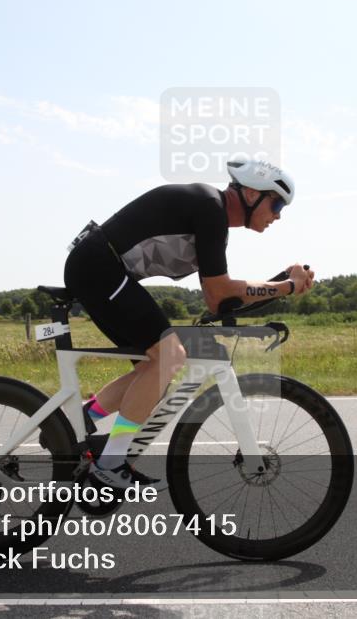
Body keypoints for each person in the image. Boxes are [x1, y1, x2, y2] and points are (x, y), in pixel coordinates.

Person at [63, 159, 315, 490]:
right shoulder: (210, 209)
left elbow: (222, 299)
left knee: (154, 370)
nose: (278, 215)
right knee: (170, 356)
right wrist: (288, 286)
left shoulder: (213, 215)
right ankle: (109, 464)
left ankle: (81, 422)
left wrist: (278, 285)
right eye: (277, 203)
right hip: (99, 265)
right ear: (252, 193)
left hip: (102, 267)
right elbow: (218, 293)